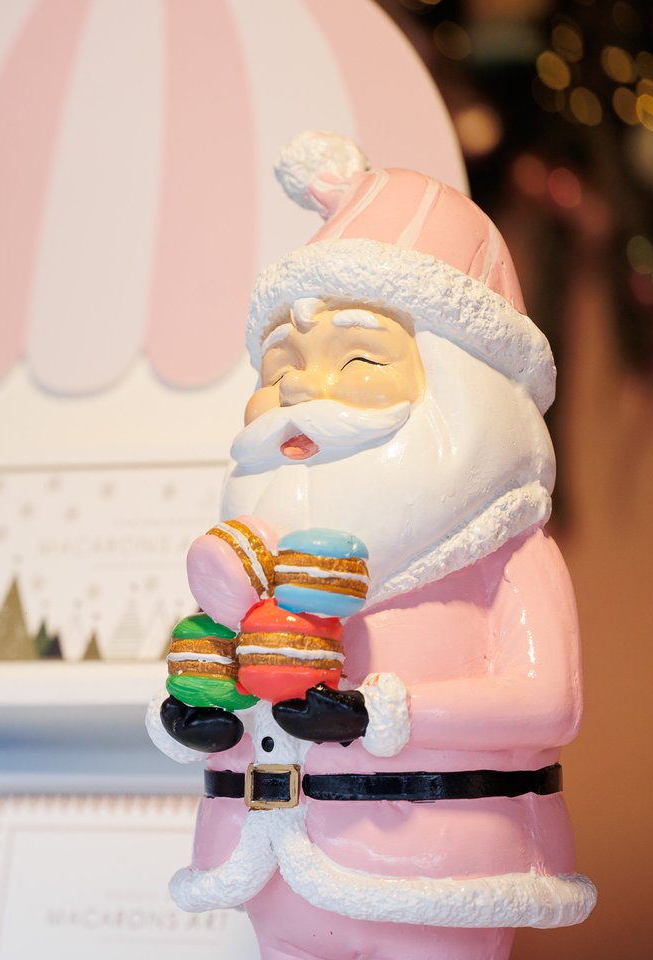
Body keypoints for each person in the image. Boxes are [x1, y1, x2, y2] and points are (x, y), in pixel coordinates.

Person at [147, 131, 595, 960]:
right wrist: (201, 718)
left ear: (459, 385)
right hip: (267, 869)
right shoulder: (253, 565)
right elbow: (248, 687)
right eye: (280, 370)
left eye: (356, 361)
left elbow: (547, 701)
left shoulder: (504, 552)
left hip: (435, 867)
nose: (298, 394)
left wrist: (377, 712)